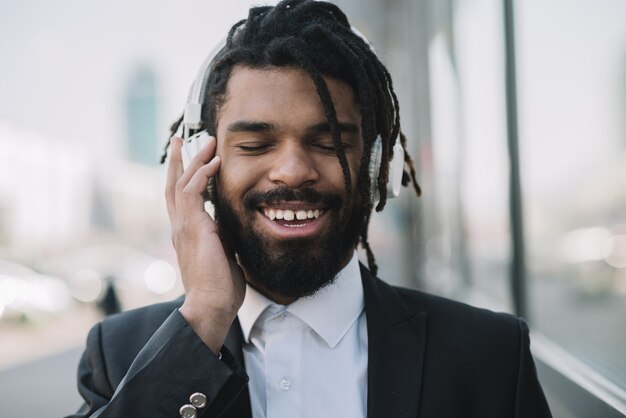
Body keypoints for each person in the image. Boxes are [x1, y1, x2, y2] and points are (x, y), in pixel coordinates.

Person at [67, 1, 552, 417]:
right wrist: (203, 323)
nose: (293, 171)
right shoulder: (119, 355)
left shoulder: (491, 355)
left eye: (330, 142)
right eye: (256, 144)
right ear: (201, 166)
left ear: (377, 166)